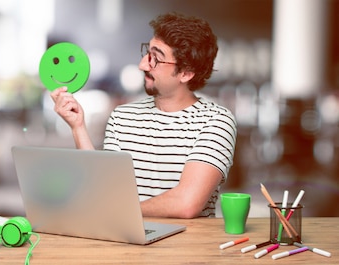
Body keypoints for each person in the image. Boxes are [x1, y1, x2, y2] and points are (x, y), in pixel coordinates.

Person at [50, 12, 237, 218]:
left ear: (186, 73)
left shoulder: (215, 121)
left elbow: (186, 204)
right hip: (126, 243)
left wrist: (119, 210)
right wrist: (78, 127)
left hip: (186, 248)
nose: (142, 65)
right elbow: (102, 191)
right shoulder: (122, 117)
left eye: (156, 59)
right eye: (147, 53)